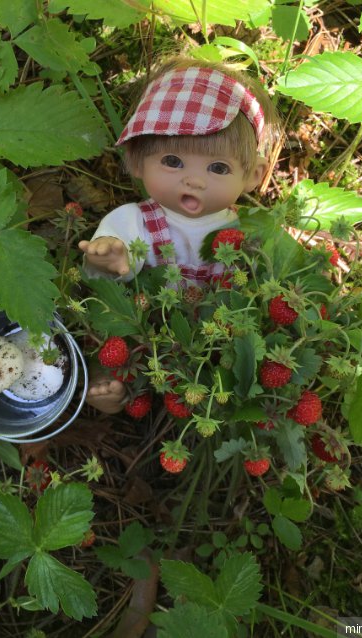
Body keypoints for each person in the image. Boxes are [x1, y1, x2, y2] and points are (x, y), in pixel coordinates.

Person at [79, 56, 277, 414]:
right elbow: (116, 249)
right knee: (113, 346)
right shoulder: (137, 220)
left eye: (218, 167)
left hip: (215, 336)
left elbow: (267, 273)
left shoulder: (247, 231)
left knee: (236, 367)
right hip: (143, 325)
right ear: (138, 160)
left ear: (254, 175)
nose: (194, 180)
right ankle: (115, 392)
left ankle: (216, 396)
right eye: (173, 161)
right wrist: (111, 257)